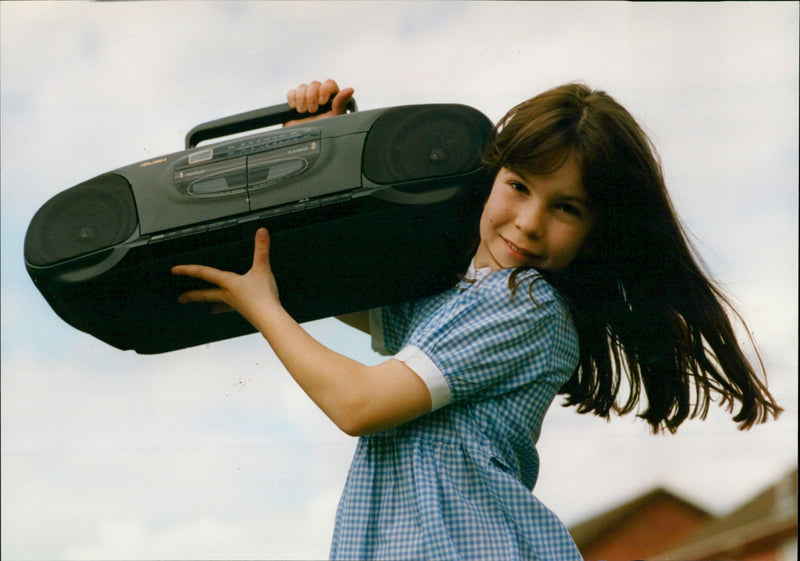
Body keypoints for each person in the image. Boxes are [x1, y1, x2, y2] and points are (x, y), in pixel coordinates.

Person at [172, 79, 782, 560]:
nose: (529, 221)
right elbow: (340, 286)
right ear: (489, 179)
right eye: (518, 185)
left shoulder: (524, 304)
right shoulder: (459, 297)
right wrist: (321, 143)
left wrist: (263, 308)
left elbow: (356, 404)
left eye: (565, 207)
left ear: (596, 235)